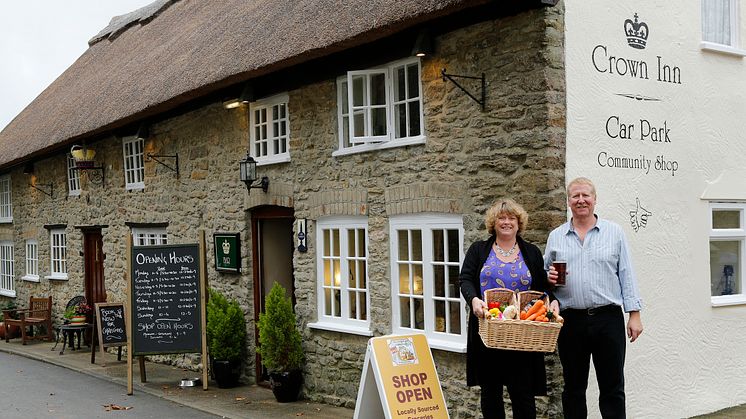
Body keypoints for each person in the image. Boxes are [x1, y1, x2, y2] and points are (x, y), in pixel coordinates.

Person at [544, 177, 643, 419]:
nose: (581, 200)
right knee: (574, 389)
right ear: (568, 201)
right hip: (571, 321)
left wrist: (635, 314)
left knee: (612, 388)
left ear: (595, 199)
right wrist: (550, 280)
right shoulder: (556, 236)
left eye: (585, 195)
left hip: (607, 318)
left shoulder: (614, 232)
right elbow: (545, 279)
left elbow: (626, 274)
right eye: (575, 196)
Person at [459, 198, 559, 419]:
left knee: (523, 394)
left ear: (518, 222)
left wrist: (552, 301)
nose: (506, 222)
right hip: (488, 330)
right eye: (501, 218)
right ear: (493, 223)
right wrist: (474, 300)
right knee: (491, 394)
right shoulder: (478, 250)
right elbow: (465, 279)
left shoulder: (531, 252)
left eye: (511, 218)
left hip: (522, 334)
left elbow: (542, 288)